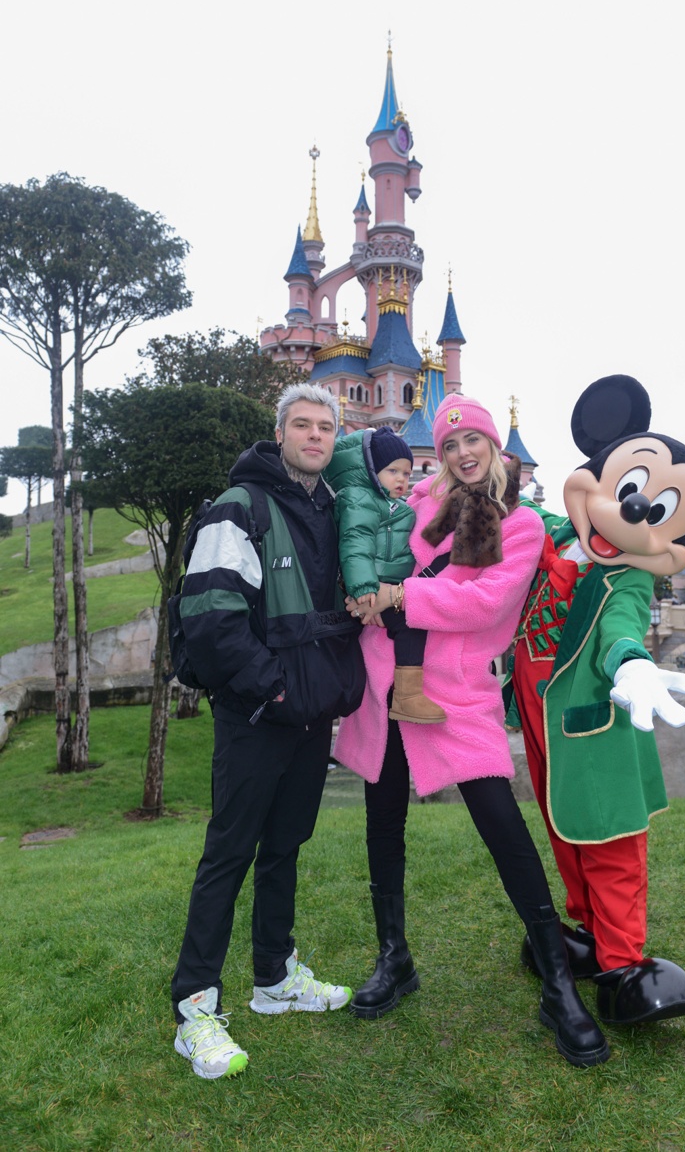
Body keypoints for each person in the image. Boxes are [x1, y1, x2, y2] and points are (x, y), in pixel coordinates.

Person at [334, 393, 610, 1069]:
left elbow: (486, 604)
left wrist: (403, 596)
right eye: (451, 443)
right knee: (382, 821)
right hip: (383, 679)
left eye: (472, 442)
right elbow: (368, 533)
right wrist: (365, 587)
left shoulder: (516, 525)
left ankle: (554, 982)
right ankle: (393, 957)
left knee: (503, 828)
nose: (461, 452)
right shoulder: (417, 502)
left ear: (492, 447)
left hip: (454, 690)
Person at [170, 383, 366, 1079]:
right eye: (302, 425)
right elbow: (213, 617)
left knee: (284, 847)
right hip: (258, 714)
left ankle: (275, 978)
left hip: (311, 715)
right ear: (279, 433)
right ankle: (196, 1008)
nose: (314, 436)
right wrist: (274, 686)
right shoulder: (240, 507)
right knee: (229, 854)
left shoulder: (336, 512)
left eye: (325, 428)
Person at [324, 425, 444, 722]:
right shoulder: (360, 500)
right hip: (368, 587)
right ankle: (408, 696)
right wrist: (364, 587)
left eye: (406, 473)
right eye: (393, 471)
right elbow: (355, 542)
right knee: (411, 621)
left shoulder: (391, 504)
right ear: (370, 470)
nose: (402, 479)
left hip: (385, 588)